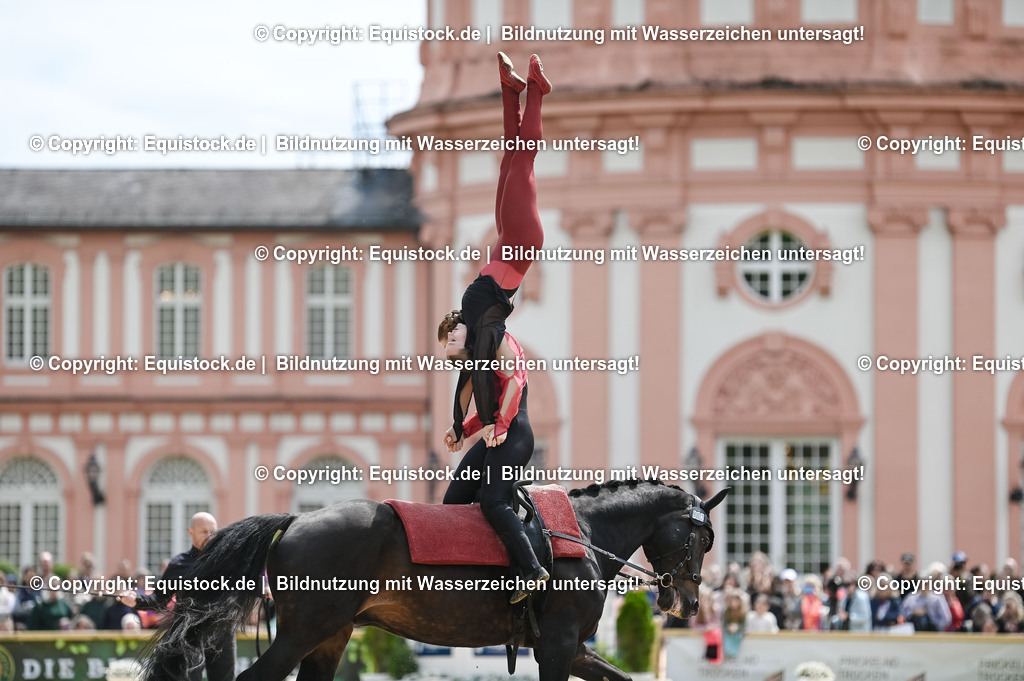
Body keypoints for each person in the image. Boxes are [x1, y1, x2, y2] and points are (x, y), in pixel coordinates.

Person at [438, 52, 551, 605]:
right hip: (521, 243)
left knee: (513, 158)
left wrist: (482, 424)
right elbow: (500, 379)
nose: (450, 348)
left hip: (508, 244)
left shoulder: (474, 320)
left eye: (449, 341)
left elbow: (498, 387)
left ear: (455, 328)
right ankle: (535, 91)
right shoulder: (488, 331)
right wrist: (475, 425)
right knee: (520, 162)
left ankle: (516, 90)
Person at [118, 512, 234, 681]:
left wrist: (265, 589)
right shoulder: (178, 564)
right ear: (191, 533)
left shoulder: (227, 561)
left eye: (213, 531)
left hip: (222, 632)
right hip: (190, 634)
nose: (210, 536)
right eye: (204, 532)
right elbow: (158, 599)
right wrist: (135, 599)